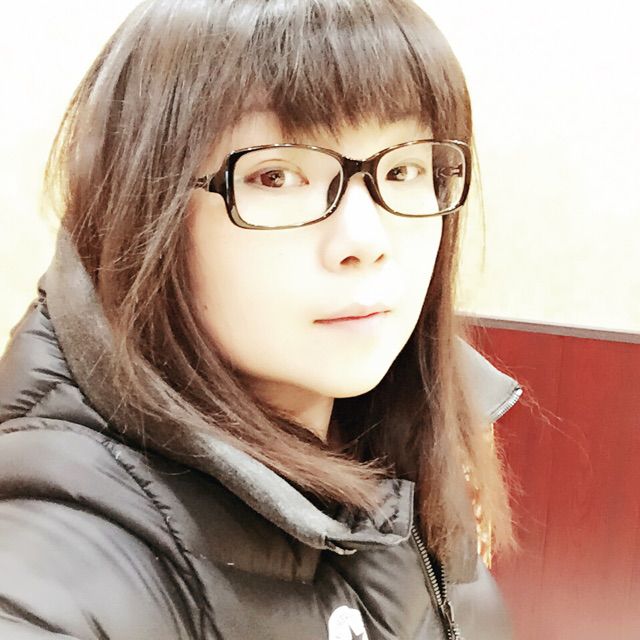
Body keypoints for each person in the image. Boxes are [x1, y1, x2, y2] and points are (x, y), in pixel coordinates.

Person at [0, 0, 523, 638]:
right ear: (144, 206)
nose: (367, 240)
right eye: (276, 175)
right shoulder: (50, 561)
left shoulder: (408, 442)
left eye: (406, 168)